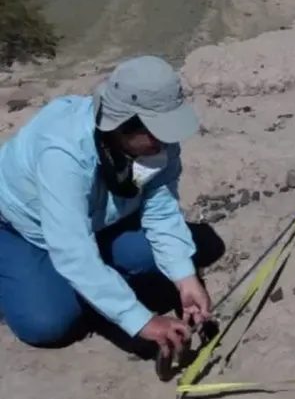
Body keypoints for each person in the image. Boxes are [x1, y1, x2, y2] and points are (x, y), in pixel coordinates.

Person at [0, 55, 223, 358]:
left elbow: (161, 209)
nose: (164, 143)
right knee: (47, 322)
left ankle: (93, 285)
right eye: (154, 132)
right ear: (121, 126)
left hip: (97, 222)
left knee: (182, 252)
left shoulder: (159, 143)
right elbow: (71, 247)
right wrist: (141, 320)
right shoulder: (63, 153)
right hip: (20, 228)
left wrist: (185, 279)